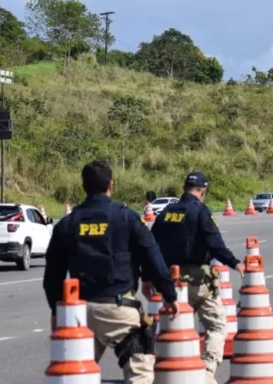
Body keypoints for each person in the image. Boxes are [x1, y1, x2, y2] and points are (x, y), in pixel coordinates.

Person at [43, 160, 179, 384]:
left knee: (76, 375)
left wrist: (57, 310)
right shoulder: (126, 218)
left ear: (84, 186)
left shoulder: (67, 224)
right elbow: (152, 256)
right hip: (119, 309)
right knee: (140, 373)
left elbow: (52, 276)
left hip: (79, 313)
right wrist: (169, 294)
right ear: (111, 186)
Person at [146, 170, 244, 384]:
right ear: (203, 191)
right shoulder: (200, 211)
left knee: (171, 327)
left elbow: (150, 246)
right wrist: (234, 261)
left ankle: (163, 373)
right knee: (217, 325)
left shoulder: (166, 213)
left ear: (184, 188)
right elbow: (214, 242)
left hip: (170, 281)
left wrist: (147, 276)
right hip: (196, 281)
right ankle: (206, 374)